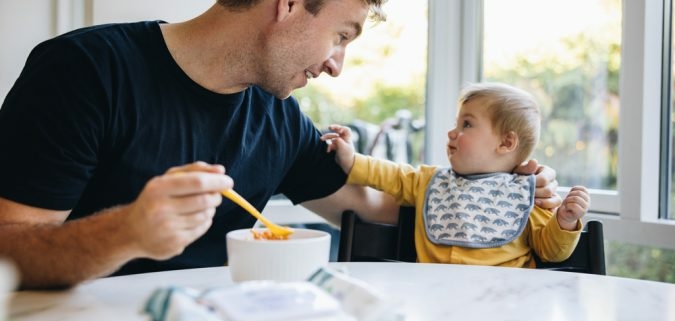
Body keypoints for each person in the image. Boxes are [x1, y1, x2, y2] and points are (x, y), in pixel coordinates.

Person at [0, 0, 561, 289]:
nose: (337, 65)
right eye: (341, 35)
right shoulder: (85, 71)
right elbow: (8, 246)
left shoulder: (281, 120)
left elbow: (374, 208)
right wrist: (126, 232)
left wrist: (502, 189)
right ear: (288, 5)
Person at [321, 82, 590, 267]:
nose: (452, 132)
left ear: (506, 143)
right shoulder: (429, 181)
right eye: (457, 123)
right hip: (436, 300)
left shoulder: (526, 195)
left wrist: (565, 223)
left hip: (503, 305)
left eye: (467, 124)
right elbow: (391, 175)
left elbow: (551, 252)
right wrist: (352, 160)